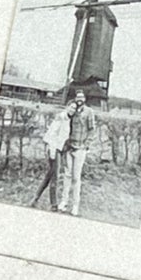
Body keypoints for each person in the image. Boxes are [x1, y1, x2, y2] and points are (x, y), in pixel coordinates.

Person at [54, 86, 99, 215]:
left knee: (76, 177)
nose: (79, 99)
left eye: (81, 97)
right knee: (67, 175)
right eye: (77, 97)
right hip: (70, 147)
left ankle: (75, 205)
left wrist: (86, 145)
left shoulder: (89, 112)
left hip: (80, 149)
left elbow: (92, 130)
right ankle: (64, 202)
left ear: (85, 99)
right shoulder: (72, 111)